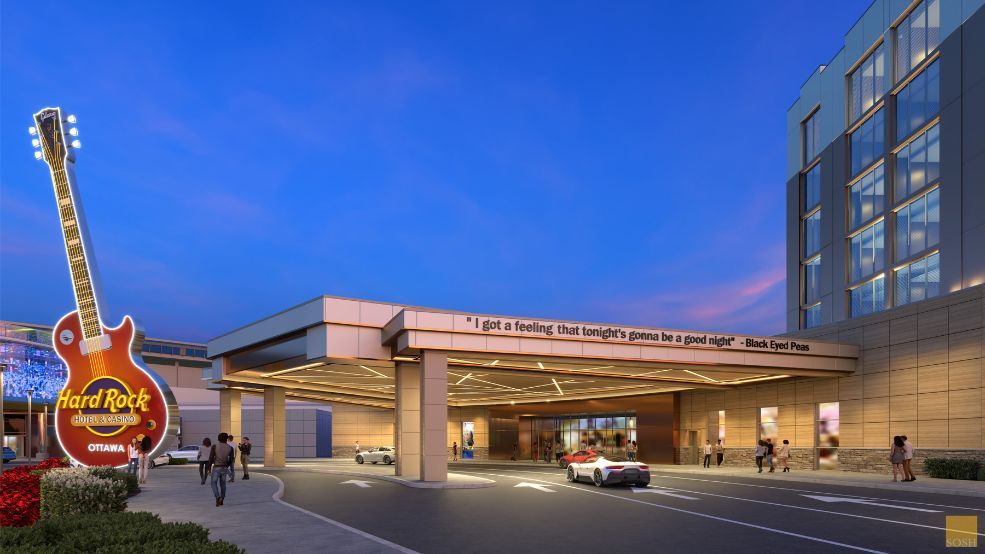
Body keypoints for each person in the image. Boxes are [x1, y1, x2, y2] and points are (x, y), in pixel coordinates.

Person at [210, 432, 235, 506]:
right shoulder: (230, 448)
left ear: (218, 438)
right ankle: (222, 499)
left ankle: (218, 497)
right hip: (224, 467)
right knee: (223, 484)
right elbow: (231, 459)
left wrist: (208, 468)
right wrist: (227, 465)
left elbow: (211, 458)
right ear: (226, 438)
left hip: (216, 467)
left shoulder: (215, 446)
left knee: (213, 483)